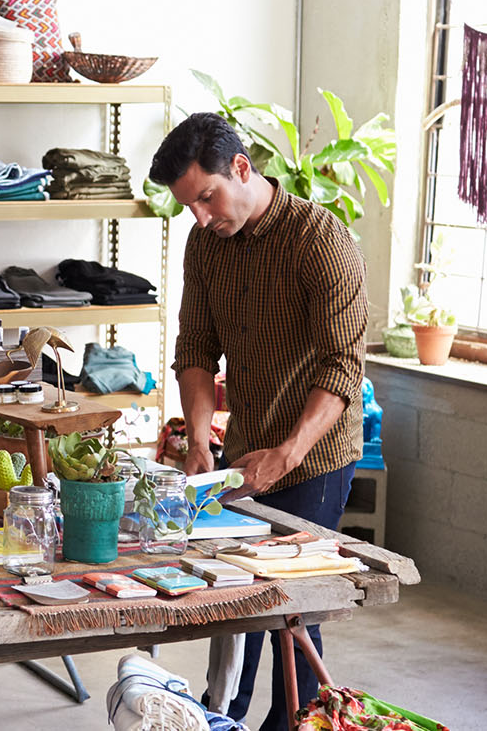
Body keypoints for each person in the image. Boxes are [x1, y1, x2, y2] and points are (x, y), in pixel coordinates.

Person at [148, 111, 367, 731]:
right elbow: (195, 347)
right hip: (242, 448)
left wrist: (289, 452)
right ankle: (228, 717)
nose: (200, 216)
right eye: (189, 205)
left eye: (207, 197)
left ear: (241, 168)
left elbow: (343, 366)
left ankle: (297, 721)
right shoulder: (206, 243)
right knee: (236, 593)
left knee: (290, 604)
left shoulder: (321, 241)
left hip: (315, 455)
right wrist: (196, 435)